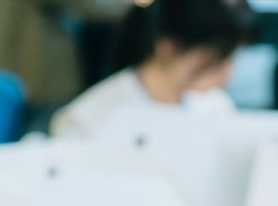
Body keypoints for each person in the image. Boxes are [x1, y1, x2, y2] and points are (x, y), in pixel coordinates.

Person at [49, 0, 257, 138]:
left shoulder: (215, 106)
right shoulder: (91, 119)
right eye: (215, 61)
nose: (228, 75)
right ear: (167, 47)